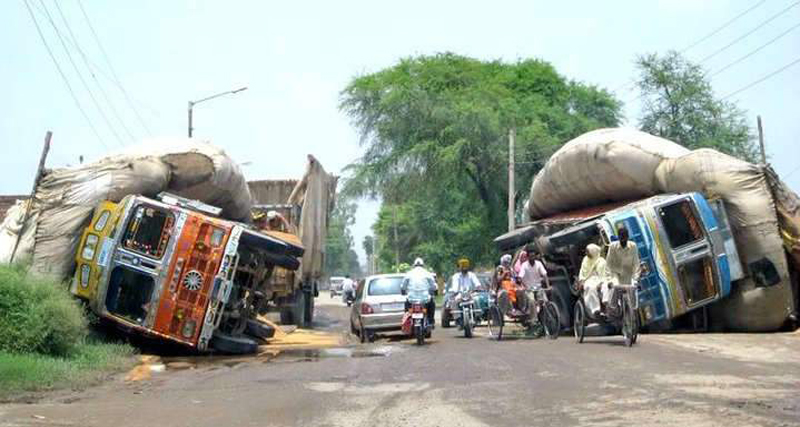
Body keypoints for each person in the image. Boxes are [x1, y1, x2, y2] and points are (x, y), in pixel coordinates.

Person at [605, 226, 641, 309]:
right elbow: (608, 265)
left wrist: (636, 279)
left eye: (625, 238)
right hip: (616, 274)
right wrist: (609, 280)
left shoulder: (633, 246)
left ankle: (632, 310)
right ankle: (613, 308)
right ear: (618, 237)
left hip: (629, 274)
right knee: (615, 286)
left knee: (633, 288)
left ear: (628, 237)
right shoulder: (612, 246)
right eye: (621, 238)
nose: (623, 240)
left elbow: (636, 264)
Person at [402, 258, 437, 325]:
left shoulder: (409, 273)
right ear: (423, 265)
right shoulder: (427, 273)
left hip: (411, 299)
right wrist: (434, 290)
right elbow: (433, 286)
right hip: (425, 298)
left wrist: (403, 291)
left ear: (414, 265)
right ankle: (431, 320)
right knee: (432, 304)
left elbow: (403, 286)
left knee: (406, 305)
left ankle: (407, 320)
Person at [517, 246, 550, 315]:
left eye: (534, 256)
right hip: (529, 288)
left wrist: (548, 286)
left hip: (538, 287)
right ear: (528, 257)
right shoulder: (524, 265)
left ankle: (543, 314)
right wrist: (524, 285)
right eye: (531, 256)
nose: (533, 258)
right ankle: (534, 320)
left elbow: (545, 275)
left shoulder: (539, 263)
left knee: (544, 300)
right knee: (532, 301)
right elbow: (520, 277)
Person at [578, 243, 608, 316]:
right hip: (589, 279)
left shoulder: (602, 261)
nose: (586, 253)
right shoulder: (585, 260)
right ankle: (596, 309)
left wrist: (600, 282)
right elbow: (582, 272)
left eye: (588, 251)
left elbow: (604, 274)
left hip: (600, 279)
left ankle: (606, 302)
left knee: (606, 285)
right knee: (590, 287)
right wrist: (581, 281)